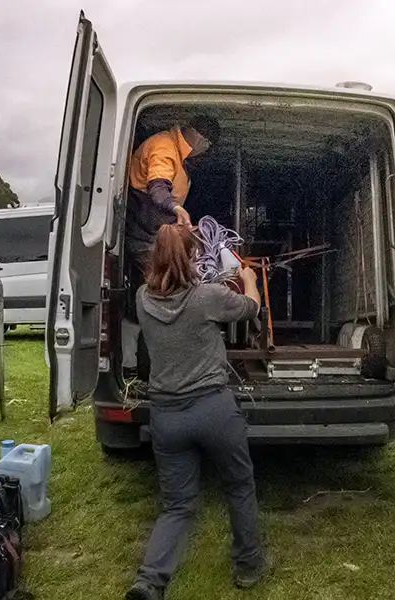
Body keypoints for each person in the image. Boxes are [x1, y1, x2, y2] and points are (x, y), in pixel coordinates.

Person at [125, 224, 272, 600]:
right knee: (239, 486)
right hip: (213, 410)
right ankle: (249, 566)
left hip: (167, 416)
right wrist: (248, 278)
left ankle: (150, 581)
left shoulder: (143, 298)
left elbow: (170, 284)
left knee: (177, 504)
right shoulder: (208, 296)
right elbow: (251, 308)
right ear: (193, 257)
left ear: (153, 259)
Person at [123, 116, 221, 384]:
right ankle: (144, 367)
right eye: (207, 146)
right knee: (165, 296)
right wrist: (177, 209)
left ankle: (150, 362)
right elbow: (157, 187)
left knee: (164, 292)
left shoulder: (178, 153)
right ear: (200, 139)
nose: (204, 152)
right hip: (145, 234)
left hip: (155, 233)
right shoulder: (165, 147)